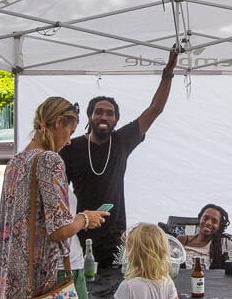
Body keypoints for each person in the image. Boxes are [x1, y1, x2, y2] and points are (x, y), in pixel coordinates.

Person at [0, 97, 110, 299]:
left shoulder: (16, 162)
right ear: (58, 123)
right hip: (59, 277)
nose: (69, 141)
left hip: (27, 277)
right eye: (69, 132)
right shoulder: (50, 160)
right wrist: (86, 218)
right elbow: (59, 229)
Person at [60, 47, 179, 268]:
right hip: (79, 229)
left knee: (110, 289)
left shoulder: (122, 141)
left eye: (109, 113)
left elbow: (155, 109)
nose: (104, 116)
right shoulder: (72, 147)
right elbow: (59, 192)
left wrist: (168, 72)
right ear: (90, 116)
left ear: (116, 120)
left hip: (113, 234)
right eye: (98, 111)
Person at [177, 203, 232, 270]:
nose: (208, 223)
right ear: (200, 219)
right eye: (205, 218)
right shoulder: (182, 240)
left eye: (214, 221)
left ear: (219, 226)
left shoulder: (224, 243)